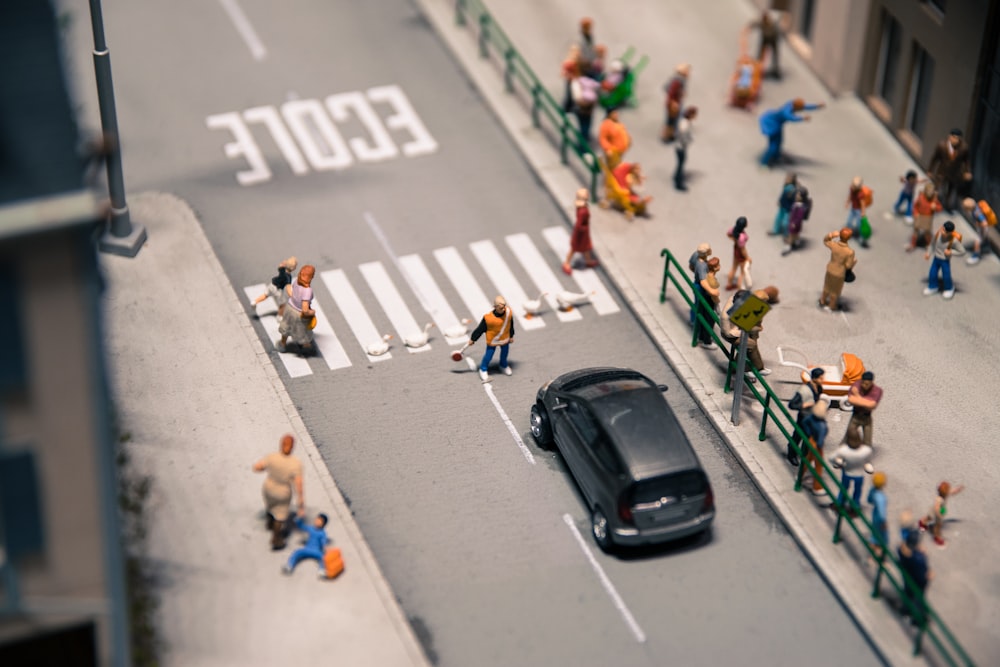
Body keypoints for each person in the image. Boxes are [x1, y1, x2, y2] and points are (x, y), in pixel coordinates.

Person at [252, 434, 305, 550]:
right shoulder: (295, 463)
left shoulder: (272, 457)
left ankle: (269, 521)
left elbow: (257, 467)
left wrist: (265, 468)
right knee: (280, 515)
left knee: (270, 505)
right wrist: (301, 505)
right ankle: (276, 537)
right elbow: (299, 486)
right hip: (283, 491)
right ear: (292, 447)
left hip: (269, 487)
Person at [719, 286, 778, 376]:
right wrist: (744, 331)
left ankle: (757, 368)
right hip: (732, 334)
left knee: (752, 343)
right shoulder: (726, 316)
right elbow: (728, 333)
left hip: (741, 328)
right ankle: (745, 369)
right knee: (750, 344)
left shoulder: (742, 301)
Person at [758, 98, 825, 168]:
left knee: (779, 142)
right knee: (773, 146)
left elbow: (805, 106)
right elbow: (791, 118)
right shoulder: (786, 112)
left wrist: (817, 106)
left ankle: (776, 157)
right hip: (772, 124)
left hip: (778, 124)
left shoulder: (791, 103)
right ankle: (764, 163)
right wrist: (802, 118)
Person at [469, 295, 515, 381]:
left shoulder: (508, 312)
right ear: (495, 307)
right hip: (493, 340)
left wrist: (511, 335)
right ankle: (483, 369)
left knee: (504, 354)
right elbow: (480, 329)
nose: (503, 309)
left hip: (505, 338)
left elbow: (510, 324)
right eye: (501, 308)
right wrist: (473, 339)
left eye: (504, 307)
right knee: (488, 356)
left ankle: (503, 365)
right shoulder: (488, 318)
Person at [927, 128, 972, 212]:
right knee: (937, 187)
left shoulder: (963, 148)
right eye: (953, 137)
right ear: (949, 137)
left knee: (950, 189)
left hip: (954, 173)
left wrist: (967, 171)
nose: (955, 140)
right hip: (942, 171)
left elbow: (966, 161)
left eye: (957, 138)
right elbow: (935, 158)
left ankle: (947, 204)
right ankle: (933, 202)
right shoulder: (942, 145)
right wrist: (930, 170)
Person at [788, 367, 824, 467]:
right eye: (821, 378)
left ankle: (805, 455)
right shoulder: (804, 390)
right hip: (803, 417)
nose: (823, 380)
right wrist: (803, 405)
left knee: (809, 437)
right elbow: (791, 405)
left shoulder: (819, 388)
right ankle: (791, 454)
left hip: (812, 417)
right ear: (815, 378)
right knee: (797, 436)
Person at [828, 440, 874, 517]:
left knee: (844, 488)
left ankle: (839, 503)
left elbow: (831, 458)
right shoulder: (866, 450)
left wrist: (839, 463)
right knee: (857, 490)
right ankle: (855, 507)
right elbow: (868, 460)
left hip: (847, 472)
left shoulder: (844, 450)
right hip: (859, 474)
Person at [278, 264, 316, 355]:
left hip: (289, 308)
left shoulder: (296, 281)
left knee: (286, 325)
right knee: (302, 330)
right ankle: (305, 345)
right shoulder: (307, 291)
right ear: (310, 277)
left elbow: (291, 293)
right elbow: (305, 310)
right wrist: (312, 312)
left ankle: (282, 343)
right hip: (299, 314)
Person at [897, 528, 932, 626]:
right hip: (917, 581)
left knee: (908, 594)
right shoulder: (918, 558)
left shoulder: (901, 551)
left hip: (907, 577)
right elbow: (923, 575)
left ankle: (905, 611)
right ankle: (917, 620)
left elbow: (901, 549)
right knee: (918, 600)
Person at [923, 220, 965, 299]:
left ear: (950, 233)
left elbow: (962, 251)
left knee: (946, 275)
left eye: (945, 231)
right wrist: (928, 253)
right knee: (932, 272)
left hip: (945, 260)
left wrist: (951, 252)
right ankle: (933, 286)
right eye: (942, 229)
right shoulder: (938, 234)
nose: (942, 232)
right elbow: (932, 244)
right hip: (936, 258)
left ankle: (949, 288)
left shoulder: (954, 241)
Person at [819, 228, 857, 312]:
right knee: (835, 290)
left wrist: (831, 235)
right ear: (849, 238)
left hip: (830, 269)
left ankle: (823, 300)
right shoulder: (850, 252)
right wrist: (853, 262)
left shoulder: (834, 245)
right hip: (839, 273)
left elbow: (825, 241)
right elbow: (848, 266)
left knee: (827, 286)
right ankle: (831, 305)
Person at [282, 513, 330, 579]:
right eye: (317, 520)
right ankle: (289, 566)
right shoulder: (311, 528)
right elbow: (302, 526)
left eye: (320, 521)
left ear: (323, 524)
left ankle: (321, 571)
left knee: (323, 558)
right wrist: (298, 520)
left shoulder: (323, 533)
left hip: (316, 551)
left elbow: (323, 542)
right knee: (297, 552)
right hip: (307, 549)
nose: (317, 522)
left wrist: (325, 548)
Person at [919, 481, 965, 547]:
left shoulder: (945, 493)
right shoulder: (939, 499)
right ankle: (937, 537)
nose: (950, 490)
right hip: (936, 512)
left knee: (929, 518)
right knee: (938, 525)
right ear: (944, 492)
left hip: (939, 510)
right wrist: (939, 514)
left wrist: (958, 489)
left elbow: (952, 492)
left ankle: (922, 522)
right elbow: (936, 508)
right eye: (948, 489)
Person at [563, 188, 598, 274]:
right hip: (580, 234)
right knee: (574, 248)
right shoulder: (583, 211)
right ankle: (566, 263)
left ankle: (588, 260)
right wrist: (584, 228)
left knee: (586, 247)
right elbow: (579, 225)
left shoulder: (581, 207)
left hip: (584, 233)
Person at [844, 371, 882, 447]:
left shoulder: (877, 390)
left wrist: (857, 396)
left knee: (867, 441)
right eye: (863, 383)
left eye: (867, 384)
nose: (864, 385)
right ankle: (841, 453)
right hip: (855, 416)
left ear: (871, 383)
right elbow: (851, 400)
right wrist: (866, 402)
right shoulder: (856, 385)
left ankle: (865, 455)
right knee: (848, 436)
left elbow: (872, 405)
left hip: (867, 418)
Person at [906, 183, 943, 252]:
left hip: (928, 218)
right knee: (916, 231)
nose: (930, 193)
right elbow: (915, 205)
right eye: (928, 191)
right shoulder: (921, 197)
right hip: (919, 216)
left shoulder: (934, 199)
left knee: (927, 233)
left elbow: (940, 208)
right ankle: (912, 244)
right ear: (925, 190)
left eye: (931, 191)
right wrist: (915, 213)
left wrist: (935, 207)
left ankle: (928, 245)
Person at [745, 10, 783, 78]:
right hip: (765, 38)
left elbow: (778, 28)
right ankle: (758, 68)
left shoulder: (772, 22)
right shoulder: (761, 21)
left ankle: (776, 70)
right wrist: (749, 28)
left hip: (773, 39)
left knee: (775, 54)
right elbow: (754, 23)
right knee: (760, 53)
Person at [695, 257, 721, 349]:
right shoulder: (711, 279)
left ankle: (702, 337)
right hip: (710, 300)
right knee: (709, 320)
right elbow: (714, 294)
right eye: (718, 265)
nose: (720, 267)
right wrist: (717, 304)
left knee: (704, 317)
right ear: (714, 268)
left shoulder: (707, 276)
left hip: (707, 298)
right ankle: (707, 341)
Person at [661, 63, 691, 143]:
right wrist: (674, 102)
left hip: (674, 103)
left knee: (673, 120)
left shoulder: (679, 80)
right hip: (673, 104)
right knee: (670, 121)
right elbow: (671, 93)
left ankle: (670, 135)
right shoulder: (677, 81)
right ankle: (666, 136)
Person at [962, 197, 995, 265]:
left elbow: (984, 223)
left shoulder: (977, 213)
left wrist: (978, 223)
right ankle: (986, 247)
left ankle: (975, 256)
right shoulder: (977, 207)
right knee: (983, 239)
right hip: (983, 229)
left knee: (977, 242)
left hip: (983, 229)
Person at [673, 106, 697, 191]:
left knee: (680, 163)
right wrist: (688, 140)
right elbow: (682, 135)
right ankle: (678, 183)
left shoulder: (685, 122)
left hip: (680, 146)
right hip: (681, 147)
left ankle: (676, 177)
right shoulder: (685, 124)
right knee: (681, 164)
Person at [782, 185, 811, 255]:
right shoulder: (797, 204)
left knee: (791, 235)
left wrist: (795, 223)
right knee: (796, 234)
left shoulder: (800, 207)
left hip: (794, 224)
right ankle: (796, 242)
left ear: (801, 197)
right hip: (794, 223)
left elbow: (799, 217)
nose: (796, 195)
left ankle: (788, 246)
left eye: (798, 194)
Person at [687, 242, 712, 325]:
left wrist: (696, 272)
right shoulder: (702, 266)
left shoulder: (695, 254)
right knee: (699, 305)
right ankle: (695, 322)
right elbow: (703, 282)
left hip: (696, 283)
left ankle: (694, 319)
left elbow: (691, 266)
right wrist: (711, 291)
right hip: (700, 286)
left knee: (696, 303)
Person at [725, 216, 751, 290]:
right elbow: (743, 250)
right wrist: (747, 257)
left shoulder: (733, 230)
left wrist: (734, 240)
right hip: (740, 253)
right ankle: (740, 288)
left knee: (734, 267)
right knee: (743, 272)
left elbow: (728, 234)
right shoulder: (742, 237)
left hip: (735, 249)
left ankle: (729, 284)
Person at [845, 177, 872, 247]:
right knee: (849, 222)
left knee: (859, 224)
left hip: (858, 211)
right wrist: (847, 202)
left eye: (854, 186)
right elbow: (850, 196)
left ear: (859, 187)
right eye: (853, 185)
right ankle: (847, 234)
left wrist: (863, 213)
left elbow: (862, 204)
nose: (853, 187)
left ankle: (863, 239)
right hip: (853, 209)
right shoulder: (852, 189)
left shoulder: (860, 194)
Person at [867, 471, 889, 558]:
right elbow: (882, 512)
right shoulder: (881, 498)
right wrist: (884, 523)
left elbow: (869, 500)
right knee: (882, 538)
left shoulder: (872, 490)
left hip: (874, 515)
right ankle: (879, 558)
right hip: (880, 519)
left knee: (874, 534)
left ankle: (871, 555)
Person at [770, 172, 798, 236]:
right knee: (778, 219)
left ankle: (786, 234)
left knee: (786, 222)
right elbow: (783, 195)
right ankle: (775, 230)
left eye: (788, 178)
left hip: (788, 208)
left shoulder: (793, 189)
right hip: (782, 206)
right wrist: (780, 201)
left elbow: (793, 199)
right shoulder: (786, 186)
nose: (786, 179)